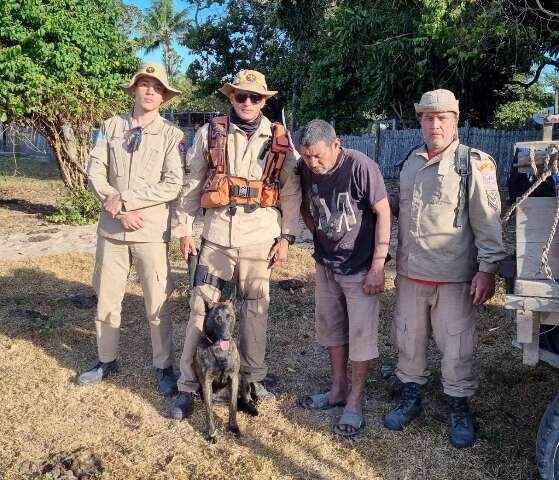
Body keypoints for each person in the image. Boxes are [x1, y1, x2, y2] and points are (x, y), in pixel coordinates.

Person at [171, 69, 302, 419]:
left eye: (255, 97)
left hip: (260, 237)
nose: (247, 102)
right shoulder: (209, 133)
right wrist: (184, 229)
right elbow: (192, 183)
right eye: (241, 96)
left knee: (256, 311)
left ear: (264, 101)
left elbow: (290, 190)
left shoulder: (278, 138)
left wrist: (287, 236)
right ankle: (188, 383)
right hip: (216, 237)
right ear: (231, 97)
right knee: (201, 310)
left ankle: (252, 380)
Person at [384, 89, 507, 448]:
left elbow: (488, 221)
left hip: (454, 276)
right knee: (408, 337)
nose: (435, 124)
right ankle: (411, 395)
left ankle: (458, 404)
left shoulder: (473, 163)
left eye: (442, 118)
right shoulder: (410, 160)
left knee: (457, 344)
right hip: (410, 273)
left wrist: (487, 268)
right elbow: (401, 205)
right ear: (420, 121)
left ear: (455, 120)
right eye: (428, 118)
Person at [77, 63, 185, 397]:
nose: (150, 90)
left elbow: (173, 184)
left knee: (157, 303)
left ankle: (163, 366)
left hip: (150, 232)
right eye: (144, 84)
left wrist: (129, 201)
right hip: (112, 229)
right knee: (107, 299)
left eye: (157, 87)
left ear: (164, 96)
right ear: (134, 90)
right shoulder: (110, 127)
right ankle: (106, 360)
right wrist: (117, 204)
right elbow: (95, 171)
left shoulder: (172, 135)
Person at [298, 119, 391, 437]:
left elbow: (384, 212)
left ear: (336, 144)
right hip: (325, 264)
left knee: (361, 335)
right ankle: (338, 389)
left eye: (318, 157)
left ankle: (355, 399)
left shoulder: (361, 167)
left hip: (360, 266)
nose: (312, 163)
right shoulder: (305, 166)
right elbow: (304, 208)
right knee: (332, 328)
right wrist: (320, 236)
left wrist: (378, 264)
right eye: (307, 156)